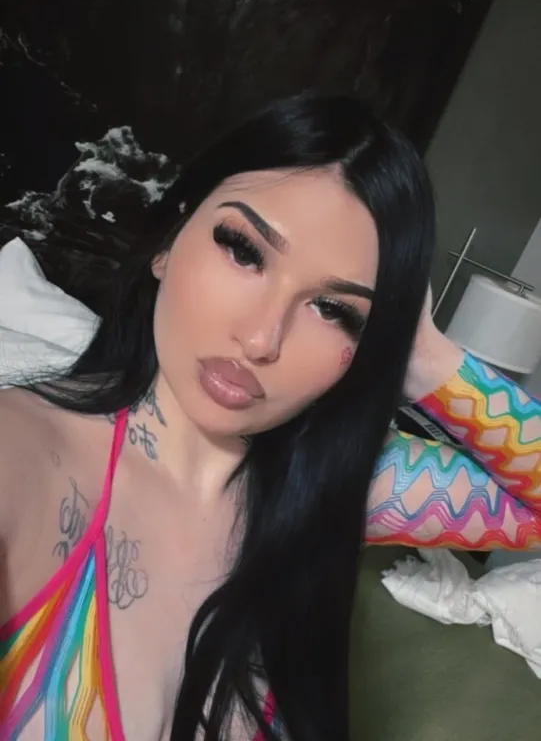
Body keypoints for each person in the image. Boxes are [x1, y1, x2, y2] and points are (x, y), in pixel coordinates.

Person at [0, 94, 539, 741]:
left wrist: (421, 353)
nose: (261, 339)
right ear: (168, 242)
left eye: (334, 310)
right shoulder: (19, 452)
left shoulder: (328, 489)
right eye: (243, 250)